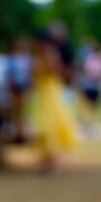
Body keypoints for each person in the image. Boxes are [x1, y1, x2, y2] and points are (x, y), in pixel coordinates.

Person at [32, 30, 80, 172]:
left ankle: (54, 162)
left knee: (50, 127)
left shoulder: (49, 53)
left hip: (51, 93)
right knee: (44, 127)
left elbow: (56, 72)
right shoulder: (39, 55)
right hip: (43, 94)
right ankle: (47, 159)